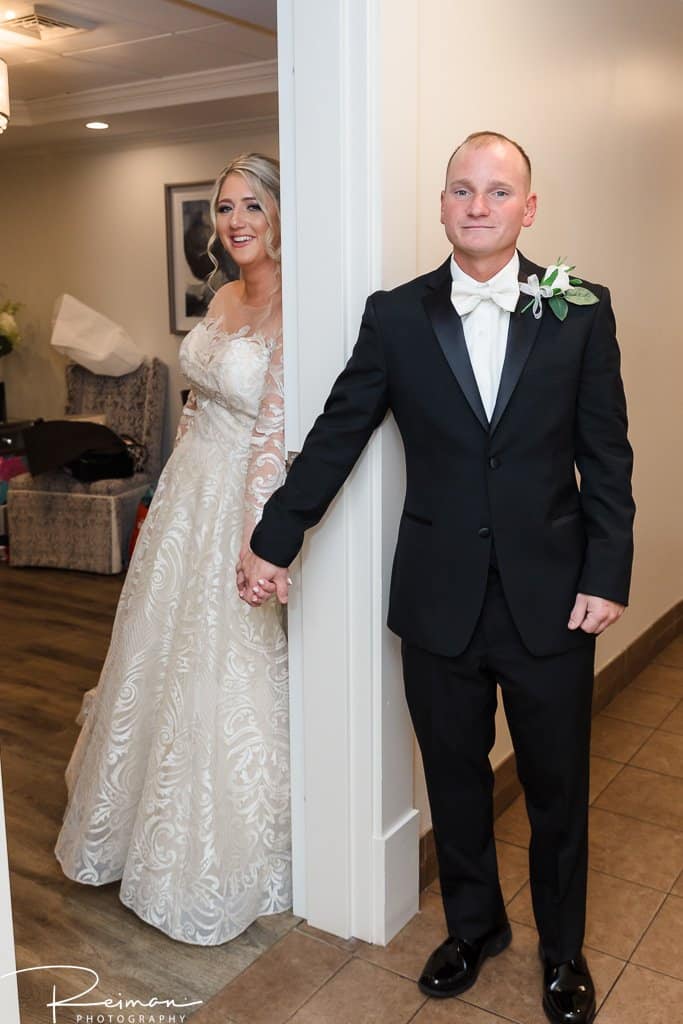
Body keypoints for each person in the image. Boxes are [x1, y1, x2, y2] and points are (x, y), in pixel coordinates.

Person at [238, 132, 634, 1024]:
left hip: (554, 599)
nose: (477, 205)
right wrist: (273, 538)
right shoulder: (396, 316)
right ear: (442, 203)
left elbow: (606, 456)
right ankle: (474, 927)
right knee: (453, 781)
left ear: (528, 208)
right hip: (436, 598)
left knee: (556, 788)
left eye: (498, 191)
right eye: (461, 189)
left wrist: (606, 572)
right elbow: (337, 434)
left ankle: (562, 951)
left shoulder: (580, 311)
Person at [55, 153, 292, 946]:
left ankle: (209, 853)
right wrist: (164, 493)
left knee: (220, 662)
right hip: (187, 492)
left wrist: (258, 536)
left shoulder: (297, 302)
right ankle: (130, 826)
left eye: (251, 205)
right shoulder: (222, 295)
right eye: (224, 208)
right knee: (155, 652)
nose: (236, 221)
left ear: (279, 213)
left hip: (241, 499)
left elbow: (274, 432)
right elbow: (196, 404)